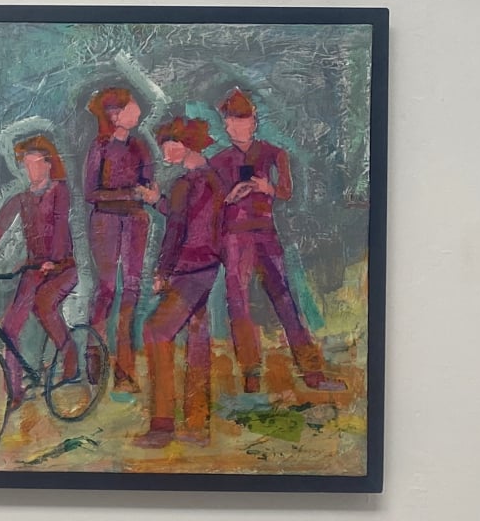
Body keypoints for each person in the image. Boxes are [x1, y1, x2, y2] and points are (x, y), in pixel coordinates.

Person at [209, 89, 344, 393]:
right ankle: (251, 374)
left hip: (266, 233)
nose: (232, 127)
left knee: (284, 299)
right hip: (234, 238)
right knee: (238, 303)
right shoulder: (218, 161)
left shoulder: (274, 153)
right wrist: (230, 198)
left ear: (253, 122)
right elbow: (212, 206)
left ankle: (311, 371)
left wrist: (265, 187)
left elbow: (286, 192)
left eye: (239, 121)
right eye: (229, 122)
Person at [0, 134, 78, 406]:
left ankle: (70, 356)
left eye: (36, 164)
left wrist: (54, 259)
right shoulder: (22, 198)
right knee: (9, 328)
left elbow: (61, 226)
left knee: (44, 306)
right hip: (34, 269)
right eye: (27, 165)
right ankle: (14, 391)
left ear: (49, 164)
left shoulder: (59, 191)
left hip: (62, 268)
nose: (31, 170)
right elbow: (0, 225)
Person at [133, 117, 224, 449]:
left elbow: (176, 230)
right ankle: (197, 425)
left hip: (189, 269)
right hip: (208, 265)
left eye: (168, 144)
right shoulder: (212, 178)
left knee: (156, 331)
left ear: (185, 144)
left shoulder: (186, 184)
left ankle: (162, 425)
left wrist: (163, 272)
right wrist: (158, 201)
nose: (164, 152)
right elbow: (188, 218)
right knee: (197, 337)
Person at [81, 87, 158, 392]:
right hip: (106, 222)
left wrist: (149, 193)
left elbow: (149, 182)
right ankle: (94, 352)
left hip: (136, 222)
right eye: (131, 106)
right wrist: (130, 194)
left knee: (133, 291)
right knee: (107, 289)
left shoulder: (140, 146)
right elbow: (91, 193)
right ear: (115, 114)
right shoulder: (99, 147)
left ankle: (124, 371)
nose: (137, 111)